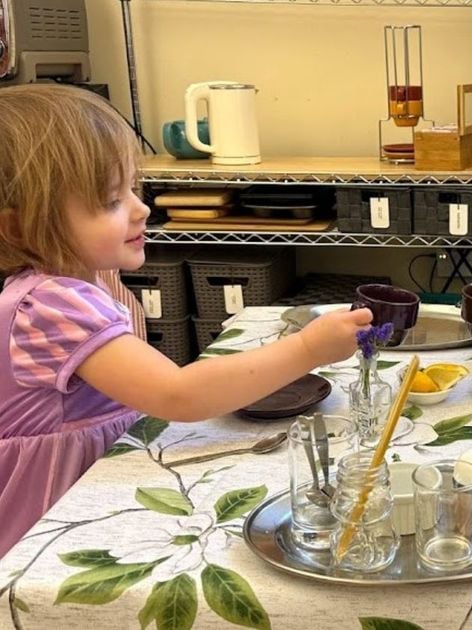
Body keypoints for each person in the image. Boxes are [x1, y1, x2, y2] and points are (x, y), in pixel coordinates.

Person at [0, 84, 373, 557]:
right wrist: (307, 350)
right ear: (17, 228)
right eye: (111, 201)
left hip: (100, 482)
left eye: (132, 189)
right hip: (47, 517)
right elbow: (179, 394)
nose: (141, 208)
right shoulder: (52, 306)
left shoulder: (75, 285)